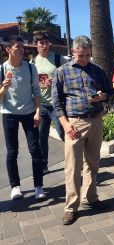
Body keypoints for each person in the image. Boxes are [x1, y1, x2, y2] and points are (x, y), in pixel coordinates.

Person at [52, 35, 112, 225]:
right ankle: (70, 207)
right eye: (81, 55)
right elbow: (56, 101)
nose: (85, 59)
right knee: (73, 167)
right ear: (73, 52)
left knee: (92, 163)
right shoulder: (61, 72)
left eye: (87, 55)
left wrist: (102, 97)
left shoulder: (97, 70)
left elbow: (109, 92)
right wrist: (65, 123)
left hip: (95, 121)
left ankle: (90, 198)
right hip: (74, 124)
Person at [0, 36, 46, 200]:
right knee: (12, 152)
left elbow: (37, 92)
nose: (21, 50)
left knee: (35, 149)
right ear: (8, 50)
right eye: (18, 47)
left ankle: (38, 186)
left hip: (29, 113)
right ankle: (15, 186)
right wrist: (3, 88)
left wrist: (37, 111)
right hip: (9, 114)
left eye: (22, 47)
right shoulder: (2, 69)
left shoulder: (30, 67)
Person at [32, 32, 66, 175]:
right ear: (37, 45)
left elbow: (69, 74)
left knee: (63, 133)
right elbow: (32, 83)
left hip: (57, 104)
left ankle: (77, 158)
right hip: (42, 105)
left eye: (46, 42)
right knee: (41, 137)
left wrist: (57, 82)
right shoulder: (32, 62)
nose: (44, 45)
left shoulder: (59, 58)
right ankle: (44, 165)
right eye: (41, 43)